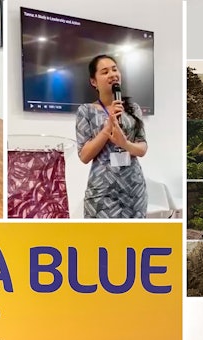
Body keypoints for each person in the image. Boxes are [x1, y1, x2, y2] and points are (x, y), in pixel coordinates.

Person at [76, 54, 148, 218]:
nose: (112, 74)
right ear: (94, 82)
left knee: (133, 240)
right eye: (105, 71)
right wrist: (108, 126)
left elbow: (142, 148)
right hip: (102, 190)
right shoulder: (86, 111)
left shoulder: (133, 109)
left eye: (115, 69)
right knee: (101, 240)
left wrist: (125, 144)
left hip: (133, 189)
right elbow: (84, 156)